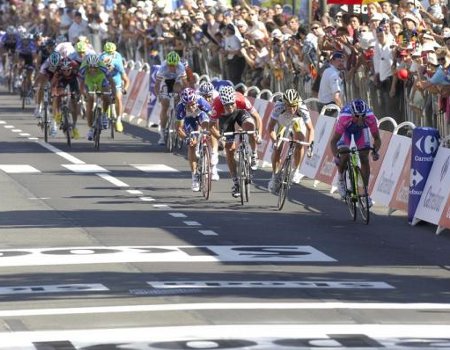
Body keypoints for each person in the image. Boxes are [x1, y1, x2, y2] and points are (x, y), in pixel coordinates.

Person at [209, 85, 262, 198]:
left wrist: (258, 133)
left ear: (234, 101)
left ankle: (253, 154)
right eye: (227, 105)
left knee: (250, 127)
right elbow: (211, 126)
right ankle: (236, 182)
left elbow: (257, 117)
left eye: (231, 104)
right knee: (230, 149)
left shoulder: (241, 99)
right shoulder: (216, 105)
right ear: (222, 103)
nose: (230, 107)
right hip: (225, 119)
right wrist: (219, 137)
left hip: (240, 113)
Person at [329, 99, 381, 206]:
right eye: (357, 116)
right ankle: (341, 180)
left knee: (364, 157)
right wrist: (336, 156)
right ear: (352, 114)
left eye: (363, 116)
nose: (361, 118)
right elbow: (333, 141)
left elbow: (377, 138)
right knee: (344, 154)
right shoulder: (344, 117)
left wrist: (375, 151)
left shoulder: (370, 117)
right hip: (345, 131)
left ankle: (365, 193)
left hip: (360, 131)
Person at [267, 89, 315, 192]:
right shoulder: (279, 106)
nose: (292, 108)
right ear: (284, 104)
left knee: (300, 141)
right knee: (277, 149)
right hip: (282, 120)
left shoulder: (302, 108)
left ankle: (296, 170)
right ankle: (275, 176)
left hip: (296, 120)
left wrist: (310, 146)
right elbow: (270, 127)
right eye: (288, 105)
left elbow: (310, 129)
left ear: (298, 103)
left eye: (294, 106)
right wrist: (274, 142)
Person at [175, 88, 211, 191]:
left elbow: (214, 118)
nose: (191, 107)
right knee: (191, 144)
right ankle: (194, 176)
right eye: (188, 105)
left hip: (200, 115)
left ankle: (205, 147)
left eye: (193, 104)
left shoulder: (202, 102)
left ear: (196, 100)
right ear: (184, 104)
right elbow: (179, 129)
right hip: (188, 120)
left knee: (206, 122)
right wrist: (186, 138)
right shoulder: (180, 108)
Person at [154, 51, 189, 145]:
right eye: (170, 65)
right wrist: (159, 96)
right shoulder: (163, 68)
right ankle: (162, 132)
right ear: (167, 63)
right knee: (164, 105)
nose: (172, 67)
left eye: (174, 65)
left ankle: (179, 127)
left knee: (178, 99)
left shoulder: (181, 68)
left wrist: (186, 96)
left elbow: (185, 84)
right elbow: (157, 85)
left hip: (177, 82)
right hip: (166, 82)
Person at [79, 54, 117, 140]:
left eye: (95, 67)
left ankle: (104, 115)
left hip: (100, 78)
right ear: (87, 65)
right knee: (90, 100)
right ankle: (91, 129)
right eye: (90, 68)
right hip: (89, 80)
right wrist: (83, 94)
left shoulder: (102, 67)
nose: (92, 69)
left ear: (98, 65)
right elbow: (80, 84)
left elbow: (111, 81)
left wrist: (113, 93)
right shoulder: (83, 68)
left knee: (106, 96)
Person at [100, 43, 130, 133]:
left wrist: (125, 89)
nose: (108, 69)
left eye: (110, 67)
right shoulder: (101, 60)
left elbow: (126, 80)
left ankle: (119, 120)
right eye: (106, 68)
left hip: (116, 79)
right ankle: (104, 115)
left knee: (118, 98)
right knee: (105, 98)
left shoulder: (117, 63)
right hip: (104, 79)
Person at [50, 57, 81, 139]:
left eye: (68, 70)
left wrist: (80, 93)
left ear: (71, 68)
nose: (66, 72)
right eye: (64, 70)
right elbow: (53, 83)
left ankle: (74, 125)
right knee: (57, 96)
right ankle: (57, 118)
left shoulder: (75, 68)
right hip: (62, 80)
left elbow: (82, 80)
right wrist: (54, 92)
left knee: (74, 103)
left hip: (73, 81)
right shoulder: (58, 71)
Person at [198, 81, 220, 181]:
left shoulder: (217, 97)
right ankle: (199, 144)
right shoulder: (197, 96)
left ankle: (214, 163)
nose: (207, 99)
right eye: (204, 96)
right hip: (200, 111)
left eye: (209, 96)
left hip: (214, 111)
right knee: (203, 123)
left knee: (213, 129)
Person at [318, 51, 346, 115]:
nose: (341, 63)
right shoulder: (334, 74)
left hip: (323, 106)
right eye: (339, 61)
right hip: (331, 108)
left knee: (324, 125)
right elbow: (336, 97)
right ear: (332, 61)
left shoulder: (327, 71)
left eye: (342, 61)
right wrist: (343, 110)